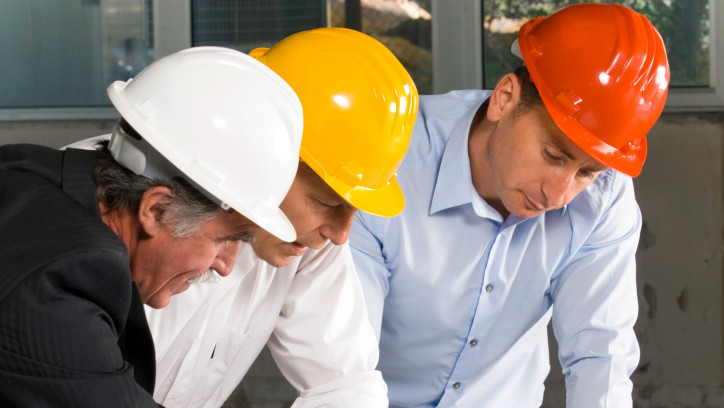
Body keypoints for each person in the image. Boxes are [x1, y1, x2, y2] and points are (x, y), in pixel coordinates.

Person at [349, 3, 669, 407]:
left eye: (586, 172)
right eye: (553, 155)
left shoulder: (604, 197)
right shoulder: (388, 161)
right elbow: (344, 365)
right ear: (504, 98)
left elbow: (600, 355)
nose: (558, 196)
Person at [0, 46, 303, 406]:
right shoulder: (63, 279)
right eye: (227, 239)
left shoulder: (30, 171)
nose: (226, 266)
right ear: (156, 210)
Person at [144, 28, 418, 408]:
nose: (340, 235)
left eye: (352, 208)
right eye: (325, 202)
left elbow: (345, 385)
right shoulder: (117, 211)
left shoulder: (308, 241)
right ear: (262, 149)